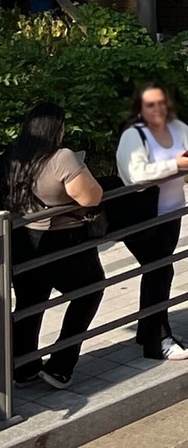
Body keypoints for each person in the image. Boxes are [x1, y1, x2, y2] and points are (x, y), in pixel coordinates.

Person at [5, 103, 105, 388]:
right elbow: (91, 197)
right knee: (89, 290)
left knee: (29, 302)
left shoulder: (12, 155)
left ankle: (23, 368)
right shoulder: (62, 158)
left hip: (22, 240)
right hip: (65, 241)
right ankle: (61, 364)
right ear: (56, 129)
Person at [115, 83, 188, 361]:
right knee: (160, 272)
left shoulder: (176, 128)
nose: (158, 109)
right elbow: (136, 176)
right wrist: (177, 164)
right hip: (144, 218)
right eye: (150, 105)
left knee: (156, 270)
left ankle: (147, 328)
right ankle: (158, 339)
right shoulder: (133, 137)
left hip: (172, 213)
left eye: (162, 103)